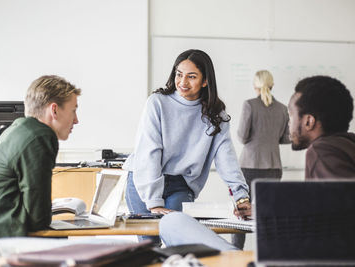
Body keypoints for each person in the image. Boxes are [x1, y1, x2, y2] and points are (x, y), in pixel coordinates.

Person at [159, 75, 355, 251]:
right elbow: (322, 210)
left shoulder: (322, 151)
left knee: (172, 223)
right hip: (273, 167)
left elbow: (337, 223)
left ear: (309, 122)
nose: (288, 123)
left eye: (292, 115)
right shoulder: (347, 145)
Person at [123, 49, 251, 244]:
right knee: (149, 245)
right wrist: (154, 200)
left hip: (179, 185)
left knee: (179, 237)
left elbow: (227, 158)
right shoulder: (157, 103)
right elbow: (150, 152)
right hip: (143, 180)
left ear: (205, 81)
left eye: (191, 76)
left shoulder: (216, 115)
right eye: (179, 74)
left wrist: (241, 196)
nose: (182, 82)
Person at [0, 75, 81, 266]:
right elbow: (39, 218)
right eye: (73, 111)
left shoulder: (20, 129)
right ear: (54, 109)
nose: (76, 120)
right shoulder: (40, 135)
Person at [233, 70, 290, 249]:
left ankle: (236, 252)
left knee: (241, 212)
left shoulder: (249, 105)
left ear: (254, 85)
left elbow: (242, 136)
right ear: (271, 85)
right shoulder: (282, 108)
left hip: (249, 167)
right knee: (268, 213)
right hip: (273, 167)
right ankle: (269, 252)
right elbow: (286, 138)